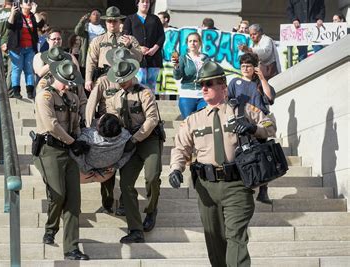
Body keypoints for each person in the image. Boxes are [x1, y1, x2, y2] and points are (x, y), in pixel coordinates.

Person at [168, 61, 276, 267]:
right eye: (202, 85)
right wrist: (175, 169)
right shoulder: (193, 120)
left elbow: (270, 125)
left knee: (236, 238)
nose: (204, 88)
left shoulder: (243, 110)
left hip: (237, 185)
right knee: (215, 244)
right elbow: (180, 148)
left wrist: (253, 128)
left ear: (223, 87)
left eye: (209, 83)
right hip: (206, 188)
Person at [33, 60, 89, 260]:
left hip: (70, 151)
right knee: (58, 194)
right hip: (50, 150)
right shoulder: (45, 96)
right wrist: (73, 141)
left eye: (69, 82)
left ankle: (71, 248)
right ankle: (51, 227)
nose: (66, 86)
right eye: (63, 81)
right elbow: (51, 124)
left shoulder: (72, 97)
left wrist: (81, 139)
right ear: (55, 77)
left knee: (73, 201)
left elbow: (76, 123)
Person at [106, 57, 162, 242]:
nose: (121, 83)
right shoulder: (115, 96)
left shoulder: (144, 93)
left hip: (148, 139)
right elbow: (113, 118)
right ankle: (135, 229)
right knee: (125, 184)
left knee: (152, 176)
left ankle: (151, 209)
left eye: (124, 79)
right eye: (118, 80)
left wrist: (135, 138)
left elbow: (152, 119)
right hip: (128, 142)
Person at [85, 47, 137, 215]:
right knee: (107, 166)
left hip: (128, 130)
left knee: (128, 169)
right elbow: (91, 104)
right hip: (109, 130)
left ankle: (123, 203)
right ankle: (107, 203)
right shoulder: (104, 81)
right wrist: (88, 127)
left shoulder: (134, 80)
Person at [228, 52, 276, 204]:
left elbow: (270, 98)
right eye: (243, 66)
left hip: (260, 124)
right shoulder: (235, 82)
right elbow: (228, 101)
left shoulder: (260, 84)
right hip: (242, 123)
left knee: (263, 156)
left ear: (255, 67)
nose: (245, 69)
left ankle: (263, 190)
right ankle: (246, 186)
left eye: (248, 66)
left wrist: (262, 78)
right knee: (243, 155)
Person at [84, 6, 142, 92]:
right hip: (105, 79)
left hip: (126, 80)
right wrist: (88, 79)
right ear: (106, 22)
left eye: (115, 21)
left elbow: (139, 58)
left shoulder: (130, 39)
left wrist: (130, 47)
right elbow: (91, 61)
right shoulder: (97, 41)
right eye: (109, 21)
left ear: (120, 22)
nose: (112, 24)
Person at [33, 31, 87, 123]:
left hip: (68, 95)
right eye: (54, 39)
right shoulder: (40, 56)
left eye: (59, 39)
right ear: (48, 40)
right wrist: (55, 61)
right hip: (48, 94)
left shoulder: (69, 56)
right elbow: (40, 72)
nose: (56, 41)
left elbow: (77, 75)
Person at [70, 113, 134, 184]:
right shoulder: (126, 136)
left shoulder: (87, 136)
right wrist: (117, 165)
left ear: (98, 126)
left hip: (85, 174)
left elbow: (74, 152)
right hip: (105, 174)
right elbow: (129, 151)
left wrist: (85, 168)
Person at [123, 0, 165, 95]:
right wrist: (138, 48)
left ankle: (150, 106)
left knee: (152, 86)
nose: (145, 4)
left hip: (154, 59)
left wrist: (154, 48)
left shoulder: (155, 19)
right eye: (142, 2)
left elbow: (161, 36)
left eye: (147, 2)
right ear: (137, 3)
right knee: (138, 84)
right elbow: (126, 37)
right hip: (137, 60)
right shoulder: (130, 19)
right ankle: (139, 107)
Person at [7, 0, 44, 99]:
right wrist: (12, 13)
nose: (28, 2)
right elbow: (9, 25)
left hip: (30, 48)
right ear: (21, 5)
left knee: (29, 70)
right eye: (25, 1)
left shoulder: (32, 16)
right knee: (17, 69)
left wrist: (35, 12)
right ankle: (16, 92)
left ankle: (30, 92)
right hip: (16, 48)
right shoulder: (17, 15)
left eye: (29, 1)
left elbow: (41, 24)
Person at [172, 32, 208, 119]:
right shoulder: (183, 58)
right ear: (187, 44)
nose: (192, 43)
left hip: (203, 95)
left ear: (200, 43)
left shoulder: (206, 58)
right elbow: (177, 76)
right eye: (190, 41)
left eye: (195, 41)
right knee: (189, 123)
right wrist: (176, 67)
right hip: (187, 95)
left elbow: (210, 75)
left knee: (203, 121)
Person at [74, 9, 105, 77]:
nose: (96, 16)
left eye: (98, 14)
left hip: (100, 57)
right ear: (90, 17)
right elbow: (77, 31)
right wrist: (82, 21)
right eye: (94, 14)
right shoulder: (86, 27)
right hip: (86, 56)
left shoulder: (104, 29)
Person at [0, 0, 14, 95]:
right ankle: (9, 92)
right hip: (11, 43)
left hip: (1, 43)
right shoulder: (13, 12)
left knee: (3, 70)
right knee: (11, 69)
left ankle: (2, 91)